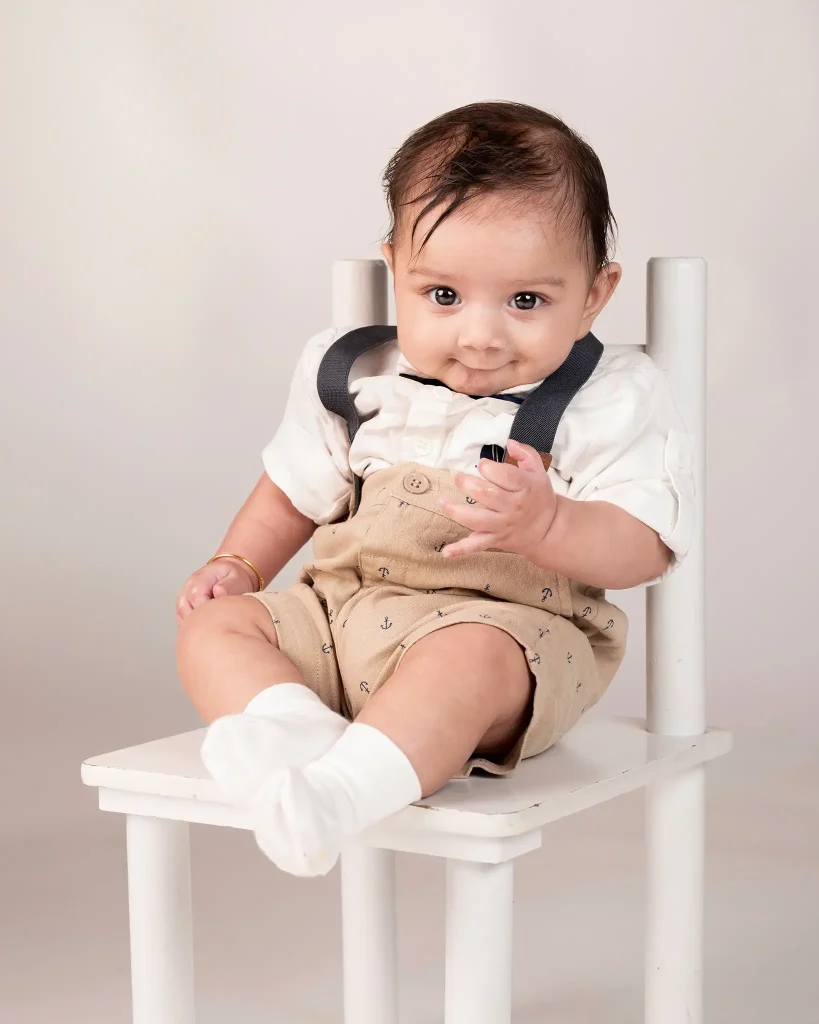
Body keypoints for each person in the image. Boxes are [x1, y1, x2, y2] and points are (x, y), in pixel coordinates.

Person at [175, 101, 694, 877]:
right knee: (212, 629)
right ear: (395, 272)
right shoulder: (354, 372)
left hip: (506, 634)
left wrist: (548, 524)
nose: (478, 336)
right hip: (341, 619)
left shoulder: (608, 393)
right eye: (442, 296)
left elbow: (645, 545)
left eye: (525, 301)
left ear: (594, 293)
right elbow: (289, 491)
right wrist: (238, 566)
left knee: (468, 656)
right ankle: (298, 736)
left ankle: (343, 794)